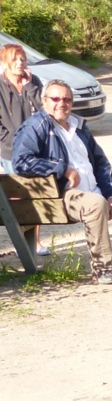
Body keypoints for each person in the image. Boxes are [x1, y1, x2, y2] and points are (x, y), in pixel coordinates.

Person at [12, 80, 112, 284]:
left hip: (94, 190)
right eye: (56, 98)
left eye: (67, 99)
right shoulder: (35, 127)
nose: (62, 103)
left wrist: (111, 194)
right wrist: (61, 169)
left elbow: (101, 162)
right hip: (63, 194)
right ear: (44, 101)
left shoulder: (79, 126)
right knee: (96, 203)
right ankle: (102, 267)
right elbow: (21, 161)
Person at [1, 44, 46, 250]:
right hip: (10, 151)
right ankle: (22, 245)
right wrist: (7, 139)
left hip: (35, 149)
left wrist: (29, 87)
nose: (20, 64)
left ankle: (35, 243)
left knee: (35, 195)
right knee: (19, 197)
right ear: (5, 62)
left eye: (23, 59)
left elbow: (46, 110)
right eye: (15, 60)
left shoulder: (34, 82)